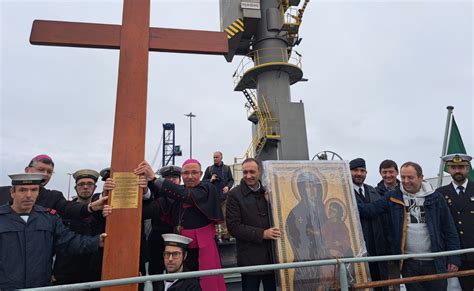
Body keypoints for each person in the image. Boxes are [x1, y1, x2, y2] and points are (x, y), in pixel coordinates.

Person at [358, 162, 461, 291]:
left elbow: (449, 228)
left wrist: (454, 258)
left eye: (410, 177)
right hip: (408, 262)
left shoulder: (436, 198)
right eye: (403, 177)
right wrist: (346, 199)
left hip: (435, 261)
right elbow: (370, 210)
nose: (406, 181)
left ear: (421, 177)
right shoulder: (393, 197)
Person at [0, 173, 106, 289]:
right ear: (12, 192)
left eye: (34, 190)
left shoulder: (49, 218)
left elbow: (68, 242)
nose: (29, 195)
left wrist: (96, 241)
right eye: (23, 190)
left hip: (41, 287)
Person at [136, 159, 226, 291]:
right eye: (186, 173)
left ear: (201, 174)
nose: (190, 176)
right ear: (182, 175)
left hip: (204, 247)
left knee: (207, 283)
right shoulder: (176, 192)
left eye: (194, 172)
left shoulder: (207, 188)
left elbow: (186, 195)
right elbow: (153, 209)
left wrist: (155, 178)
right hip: (181, 249)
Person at [226, 158, 279, 291]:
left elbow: (282, 216)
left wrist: (272, 203)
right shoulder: (234, 195)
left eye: (252, 172)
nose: (248, 176)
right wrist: (262, 234)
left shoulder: (270, 191)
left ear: (259, 172)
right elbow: (233, 227)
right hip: (249, 258)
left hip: (271, 257)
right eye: (245, 172)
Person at [0, 154, 107, 218]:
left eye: (49, 172)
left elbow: (70, 208)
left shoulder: (54, 197)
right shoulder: (2, 193)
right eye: (41, 170)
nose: (46, 174)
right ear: (27, 170)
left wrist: (91, 207)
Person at [52, 169, 105, 286]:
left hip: (95, 272)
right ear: (76, 188)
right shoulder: (64, 211)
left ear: (95, 188)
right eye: (81, 184)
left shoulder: (103, 213)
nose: (85, 187)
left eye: (90, 184)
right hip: (67, 273)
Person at [349, 158, 388, 291]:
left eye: (362, 171)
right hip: (358, 249)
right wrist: (382, 204)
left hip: (378, 248)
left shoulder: (372, 191)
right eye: (355, 170)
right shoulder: (345, 192)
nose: (359, 174)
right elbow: (368, 212)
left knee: (381, 284)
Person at [437, 153, 474, 291]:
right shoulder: (440, 193)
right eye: (453, 167)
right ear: (448, 169)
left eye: (461, 167)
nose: (457, 170)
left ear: (467, 169)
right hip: (455, 255)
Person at [144, 165, 181, 291]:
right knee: (156, 273)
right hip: (157, 239)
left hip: (176, 238)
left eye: (175, 177)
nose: (171, 180)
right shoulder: (155, 193)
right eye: (167, 178)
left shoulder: (183, 195)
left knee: (178, 274)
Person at [203, 151, 234, 240]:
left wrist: (228, 187)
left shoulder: (227, 169)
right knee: (214, 216)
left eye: (216, 157)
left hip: (224, 197)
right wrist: (211, 179)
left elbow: (231, 180)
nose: (215, 159)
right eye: (214, 157)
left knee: (225, 215)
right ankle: (215, 234)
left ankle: (225, 234)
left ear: (221, 157)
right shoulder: (209, 169)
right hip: (212, 197)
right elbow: (203, 182)